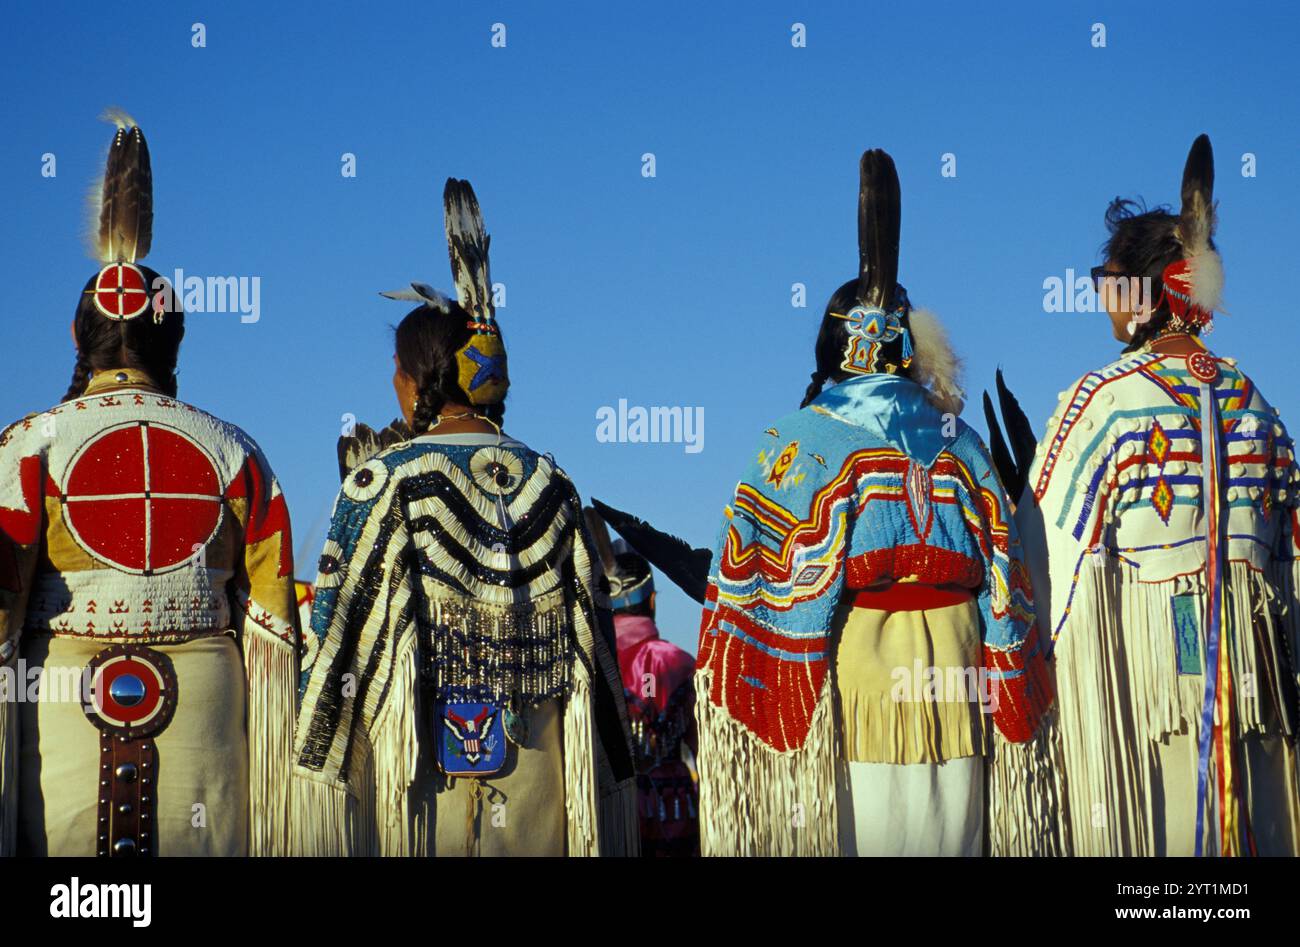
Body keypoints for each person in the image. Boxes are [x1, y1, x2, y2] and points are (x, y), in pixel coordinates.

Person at [691, 150, 1058, 856]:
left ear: (832, 346)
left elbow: (753, 593)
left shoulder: (796, 445)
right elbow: (1010, 592)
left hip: (863, 676)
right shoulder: (964, 444)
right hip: (959, 673)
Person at [292, 179, 637, 856]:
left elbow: (333, 650)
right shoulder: (552, 483)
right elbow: (596, 656)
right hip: (537, 777)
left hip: (419, 788)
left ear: (414, 379)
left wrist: (318, 782)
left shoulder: (382, 481)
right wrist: (614, 785)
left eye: (396, 369)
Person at [0, 112, 299, 857]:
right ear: (177, 336)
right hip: (208, 733)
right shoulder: (238, 454)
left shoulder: (30, 445)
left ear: (76, 338)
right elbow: (274, 644)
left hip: (59, 723)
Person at [1016, 135, 1300, 856]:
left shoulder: (1104, 402)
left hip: (1157, 690)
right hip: (1260, 677)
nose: (1102, 300)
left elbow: (1046, 553)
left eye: (1108, 282)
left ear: (1144, 293)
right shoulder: (1258, 406)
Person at [585, 508, 698, 856]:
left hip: (605, 814)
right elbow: (705, 752)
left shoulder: (587, 664)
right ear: (650, 600)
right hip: (676, 815)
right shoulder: (677, 662)